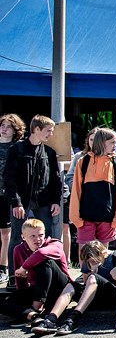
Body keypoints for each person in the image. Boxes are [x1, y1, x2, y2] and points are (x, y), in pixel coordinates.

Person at [4, 115, 63, 273]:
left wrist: (56, 201)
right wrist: (16, 202)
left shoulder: (49, 152)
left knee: (45, 237)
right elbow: (9, 178)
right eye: (48, 131)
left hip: (43, 201)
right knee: (17, 238)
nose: (51, 134)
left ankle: (46, 274)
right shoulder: (17, 149)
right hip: (21, 200)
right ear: (36, 129)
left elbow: (55, 179)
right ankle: (14, 275)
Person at [30, 240, 116, 335]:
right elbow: (86, 282)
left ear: (103, 254)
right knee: (71, 285)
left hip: (115, 295)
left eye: (95, 261)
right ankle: (51, 319)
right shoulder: (87, 261)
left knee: (93, 277)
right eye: (89, 261)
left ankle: (73, 319)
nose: (92, 263)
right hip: (95, 295)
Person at [0, 219, 69, 325]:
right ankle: (32, 315)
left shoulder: (55, 244)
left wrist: (24, 267)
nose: (37, 239)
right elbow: (20, 278)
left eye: (41, 235)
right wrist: (21, 296)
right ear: (23, 237)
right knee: (7, 301)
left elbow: (41, 253)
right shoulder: (18, 249)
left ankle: (36, 308)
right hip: (37, 289)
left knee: (45, 261)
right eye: (33, 236)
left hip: (60, 289)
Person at [69, 128, 116, 253]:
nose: (115, 146)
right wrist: (75, 217)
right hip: (85, 216)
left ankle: (99, 273)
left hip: (107, 217)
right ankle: (85, 273)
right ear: (102, 142)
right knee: (84, 252)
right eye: (112, 142)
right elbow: (76, 191)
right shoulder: (83, 162)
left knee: (102, 254)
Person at [0, 114, 25, 285]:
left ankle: (3, 267)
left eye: (9, 126)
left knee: (6, 232)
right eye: (2, 125)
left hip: (8, 194)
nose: (4, 129)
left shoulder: (17, 147)